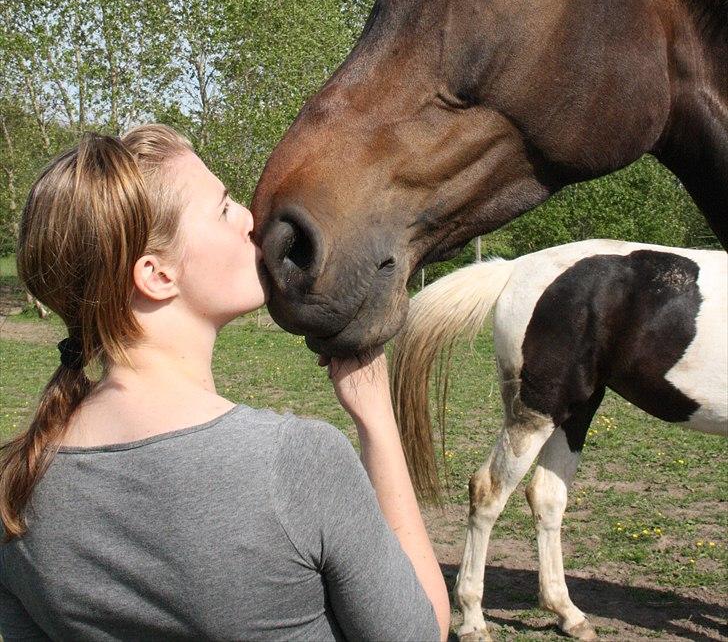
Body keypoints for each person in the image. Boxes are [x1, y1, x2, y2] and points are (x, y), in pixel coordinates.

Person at [0, 125, 450, 641]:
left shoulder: (19, 487)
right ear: (158, 275)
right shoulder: (295, 464)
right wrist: (376, 418)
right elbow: (422, 633)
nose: (247, 219)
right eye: (222, 208)